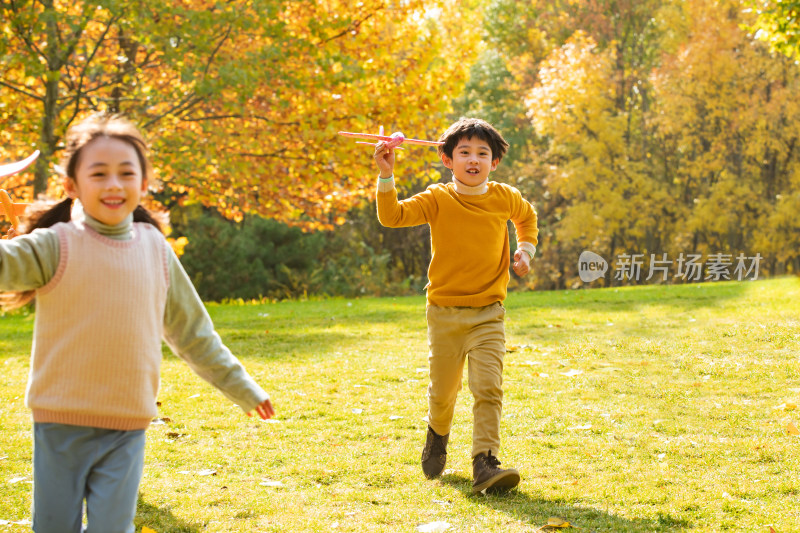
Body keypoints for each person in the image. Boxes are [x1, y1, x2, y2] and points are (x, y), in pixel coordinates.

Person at [0, 113, 275, 533]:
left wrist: (242, 386)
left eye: (126, 173)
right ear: (72, 185)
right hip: (59, 423)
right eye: (99, 173)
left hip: (126, 426)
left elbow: (195, 335)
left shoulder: (156, 251)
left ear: (144, 183)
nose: (114, 184)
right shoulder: (56, 245)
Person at [373, 118, 538, 493]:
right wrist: (386, 175)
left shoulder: (505, 197)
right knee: (444, 392)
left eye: (483, 153)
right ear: (448, 159)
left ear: (494, 162)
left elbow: (527, 218)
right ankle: (437, 433)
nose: (473, 159)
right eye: (464, 152)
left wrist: (524, 250)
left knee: (488, 388)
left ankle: (485, 461)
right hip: (444, 313)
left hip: (489, 313)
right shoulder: (437, 198)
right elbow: (392, 216)